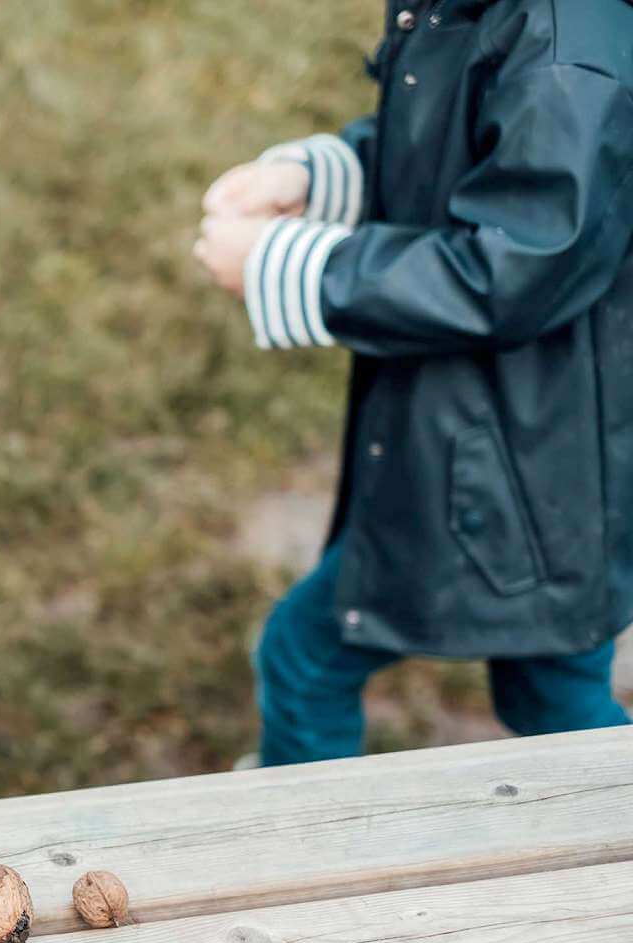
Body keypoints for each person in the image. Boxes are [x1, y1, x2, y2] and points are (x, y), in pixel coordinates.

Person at [193, 0, 633, 765]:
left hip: (527, 461)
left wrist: (291, 266)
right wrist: (321, 176)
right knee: (550, 691)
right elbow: (463, 151)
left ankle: (307, 830)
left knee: (305, 659)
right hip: (528, 449)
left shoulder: (567, 49)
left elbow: (510, 271)